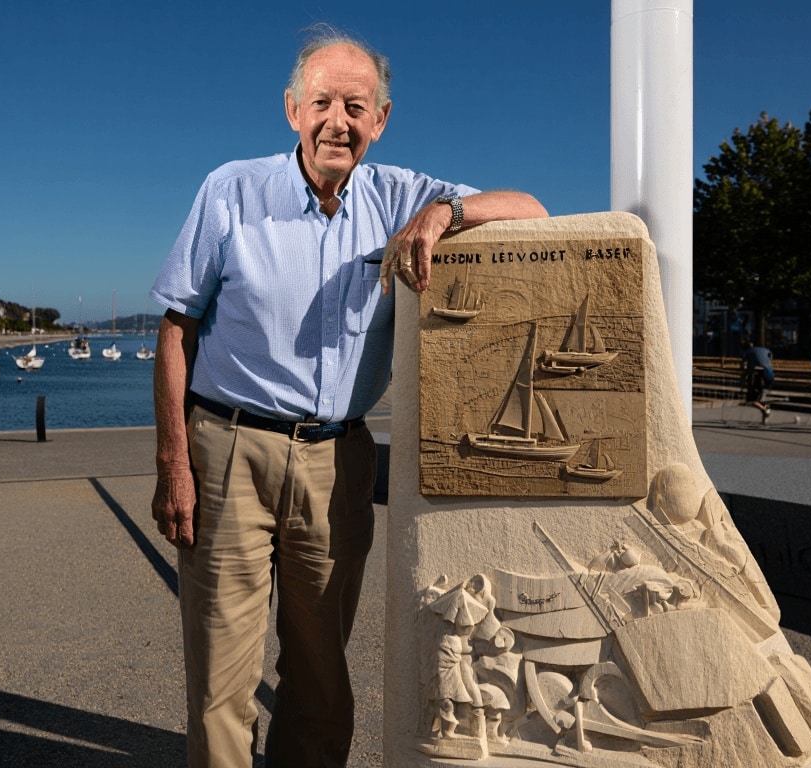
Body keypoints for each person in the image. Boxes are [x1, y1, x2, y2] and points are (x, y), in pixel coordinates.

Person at [148, 27, 546, 768]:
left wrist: (446, 216)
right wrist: (174, 462)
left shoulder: (402, 194)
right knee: (220, 682)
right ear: (293, 110)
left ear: (382, 119)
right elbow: (175, 331)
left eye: (357, 106)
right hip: (227, 450)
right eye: (324, 102)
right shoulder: (231, 190)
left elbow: (533, 209)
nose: (340, 120)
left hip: (340, 460)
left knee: (321, 676)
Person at [739, 339, 774, 423]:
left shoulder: (748, 352)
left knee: (751, 400)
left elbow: (745, 366)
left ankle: (765, 410)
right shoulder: (763, 350)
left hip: (760, 375)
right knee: (761, 398)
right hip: (770, 374)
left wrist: (743, 376)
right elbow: (771, 355)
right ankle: (765, 414)